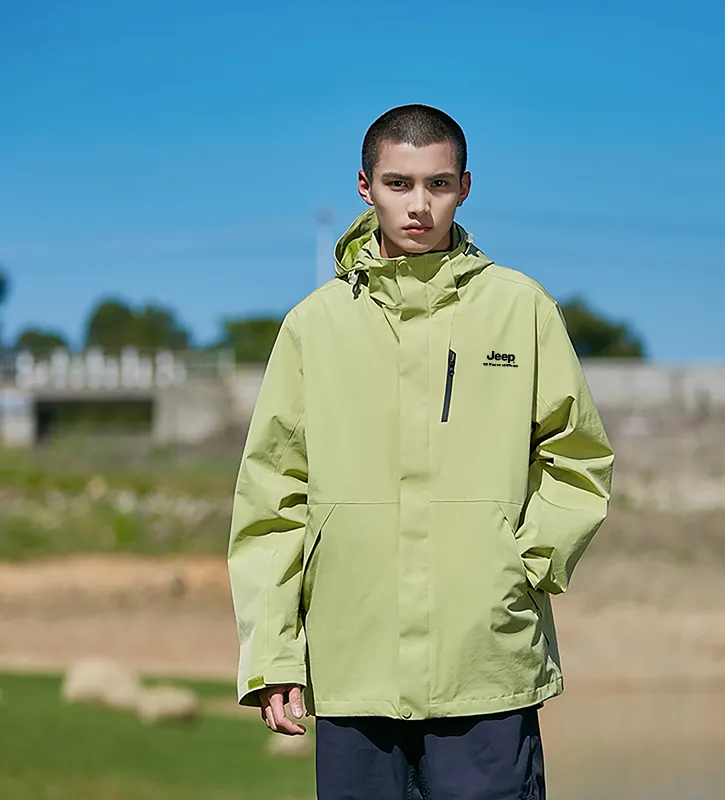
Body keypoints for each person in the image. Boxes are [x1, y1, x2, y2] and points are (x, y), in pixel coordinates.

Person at [227, 104, 614, 800]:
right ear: (365, 186)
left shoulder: (521, 309)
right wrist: (274, 654)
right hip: (352, 665)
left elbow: (579, 459)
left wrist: (522, 567)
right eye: (398, 183)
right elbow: (271, 500)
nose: (418, 205)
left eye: (437, 184)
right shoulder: (313, 326)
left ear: (464, 187)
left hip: (485, 660)